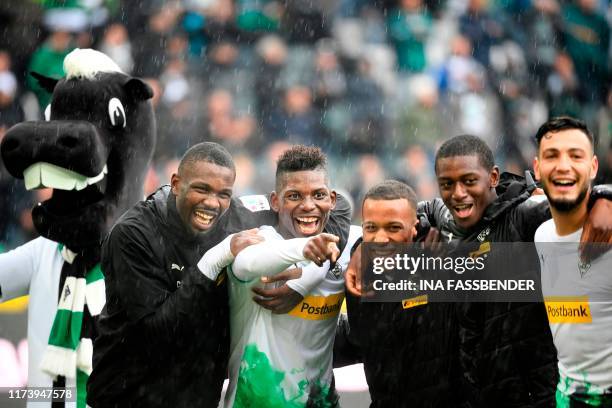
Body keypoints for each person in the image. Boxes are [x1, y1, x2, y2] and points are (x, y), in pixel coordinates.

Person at [346, 134, 612, 407]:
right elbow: (399, 214)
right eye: (447, 184)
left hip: (530, 398)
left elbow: (571, 206)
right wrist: (361, 249)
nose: (458, 193)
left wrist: (603, 198)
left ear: (493, 177)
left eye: (469, 181)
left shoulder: (524, 218)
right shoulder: (444, 224)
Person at [87, 142, 352, 407]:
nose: (212, 203)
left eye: (223, 193)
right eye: (202, 189)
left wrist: (310, 275)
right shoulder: (134, 234)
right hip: (127, 396)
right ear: (177, 184)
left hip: (198, 398)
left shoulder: (236, 215)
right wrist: (214, 260)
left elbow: (336, 207)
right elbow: (157, 336)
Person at [198, 145, 360, 407]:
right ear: (275, 201)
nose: (308, 206)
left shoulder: (349, 246)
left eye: (318, 195)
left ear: (331, 198)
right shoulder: (258, 240)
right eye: (294, 196)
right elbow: (246, 264)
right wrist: (307, 250)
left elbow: (429, 270)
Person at [346, 180, 467, 407]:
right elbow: (362, 338)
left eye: (393, 228)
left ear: (415, 227)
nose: (381, 239)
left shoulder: (442, 257)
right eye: (371, 228)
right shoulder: (359, 269)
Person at [533, 117, 612, 406]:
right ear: (537, 167)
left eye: (575, 156)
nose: (564, 165)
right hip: (565, 396)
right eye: (552, 155)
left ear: (592, 167)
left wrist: (607, 194)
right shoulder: (541, 235)